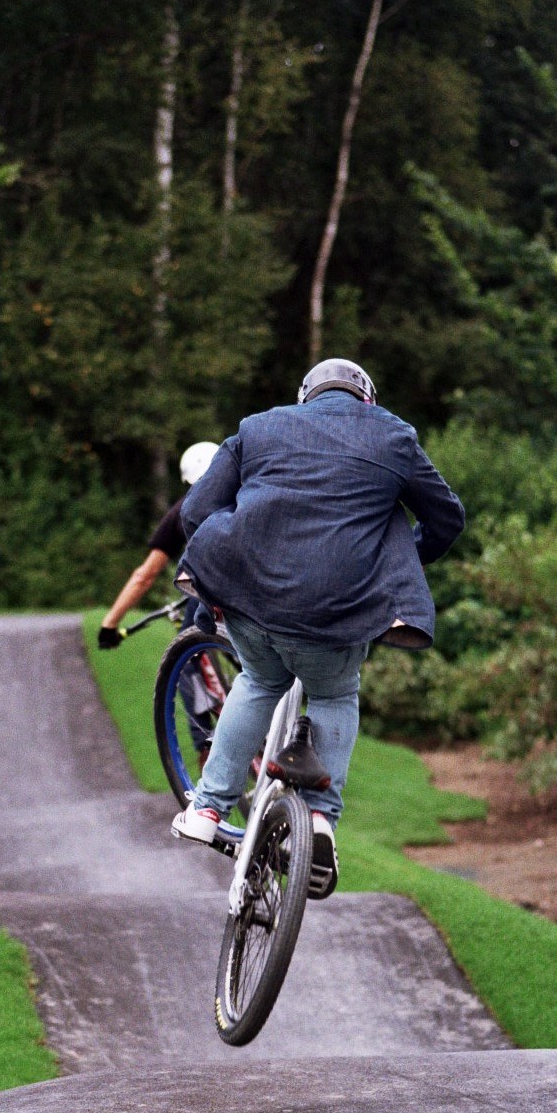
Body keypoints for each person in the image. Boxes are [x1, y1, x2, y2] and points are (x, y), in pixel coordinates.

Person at [169, 357, 465, 899]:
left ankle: (207, 808)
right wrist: (396, 560)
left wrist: (226, 561)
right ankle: (321, 819)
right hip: (336, 613)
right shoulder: (394, 437)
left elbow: (196, 510)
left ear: (306, 395)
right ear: (367, 399)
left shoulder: (258, 427)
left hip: (251, 600)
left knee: (257, 683)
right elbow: (447, 518)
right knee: (332, 695)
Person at [97, 442, 221, 649]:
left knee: (186, 654)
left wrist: (109, 624)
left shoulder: (183, 511)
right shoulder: (249, 494)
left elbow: (145, 576)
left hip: (212, 588)